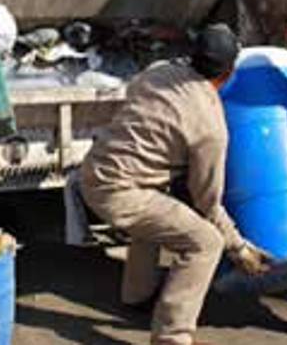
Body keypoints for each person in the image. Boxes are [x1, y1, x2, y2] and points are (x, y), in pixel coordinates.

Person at [80, 24, 275, 345]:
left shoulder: (158, 72)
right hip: (119, 192)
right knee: (206, 242)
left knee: (158, 213)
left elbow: (140, 97)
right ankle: (172, 336)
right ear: (228, 74)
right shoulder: (210, 125)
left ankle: (137, 295)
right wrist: (239, 247)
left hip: (94, 169)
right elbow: (207, 203)